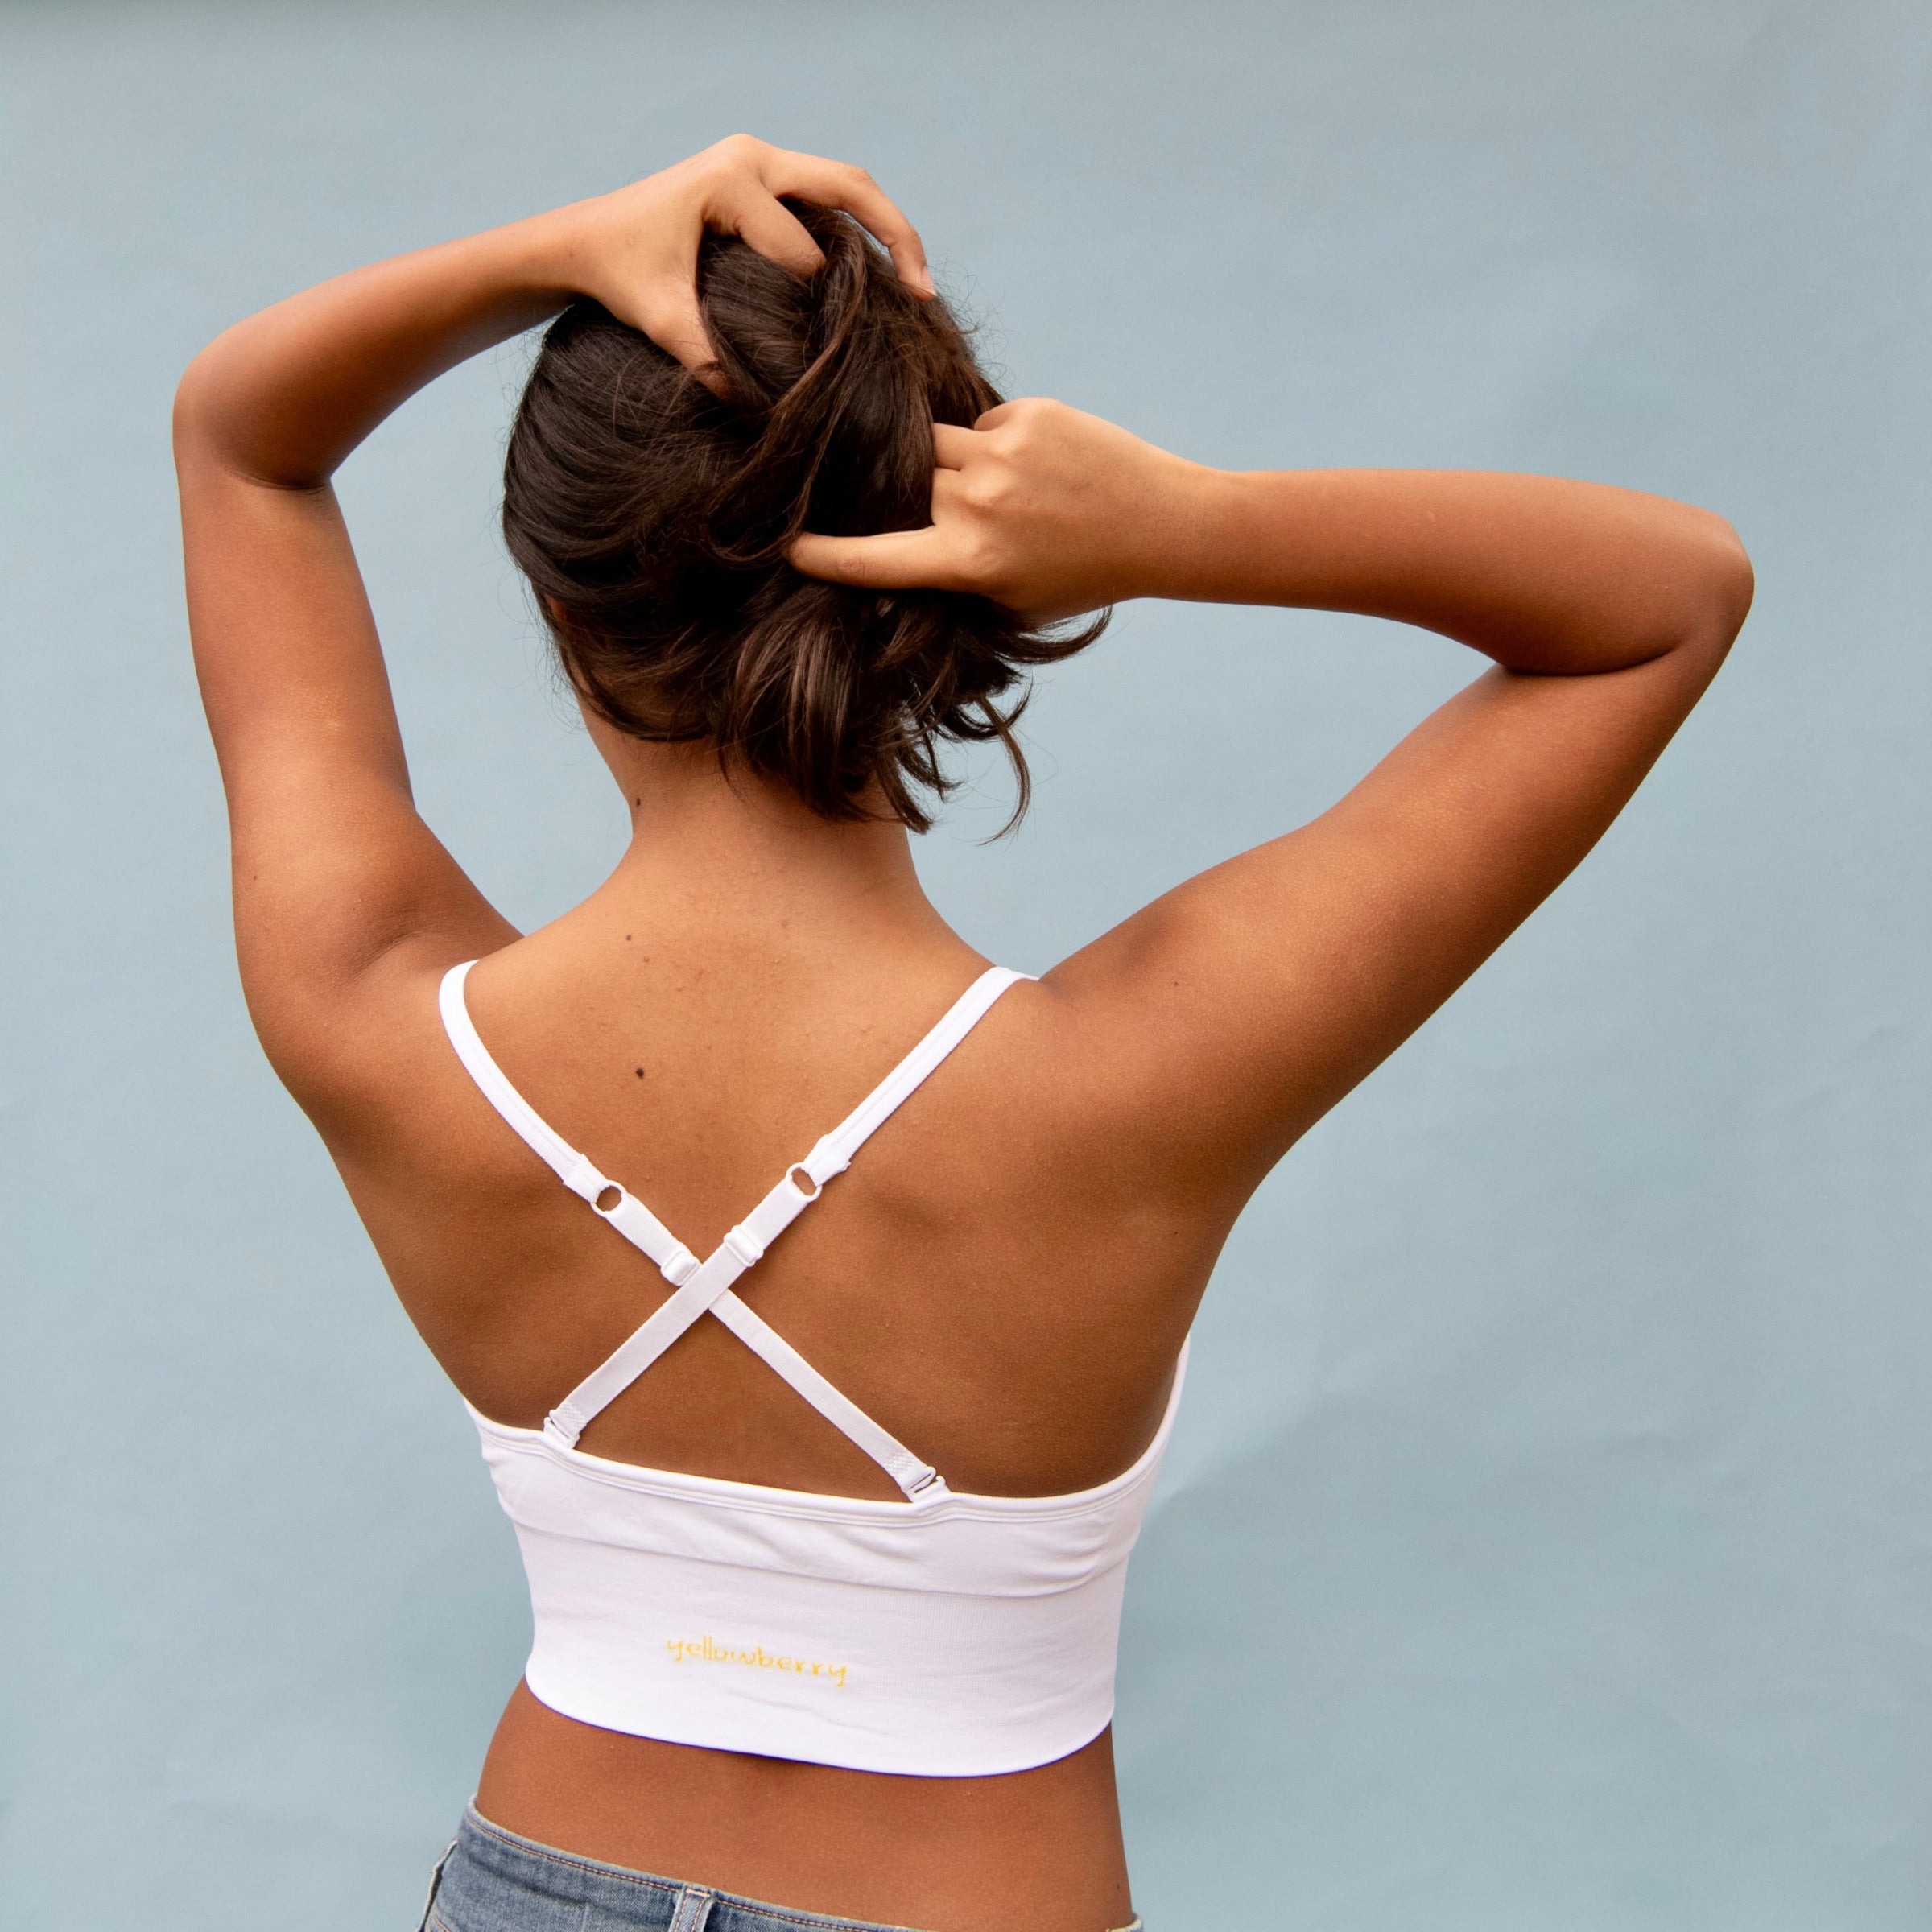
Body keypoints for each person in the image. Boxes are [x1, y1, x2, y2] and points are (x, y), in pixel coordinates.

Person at [172, 135, 1752, 1932]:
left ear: (561, 604)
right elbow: (1666, 602)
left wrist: (556, 247)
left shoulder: (381, 1015)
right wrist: (1185, 526)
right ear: (956, 592)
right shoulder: (1132, 1080)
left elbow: (240, 435)